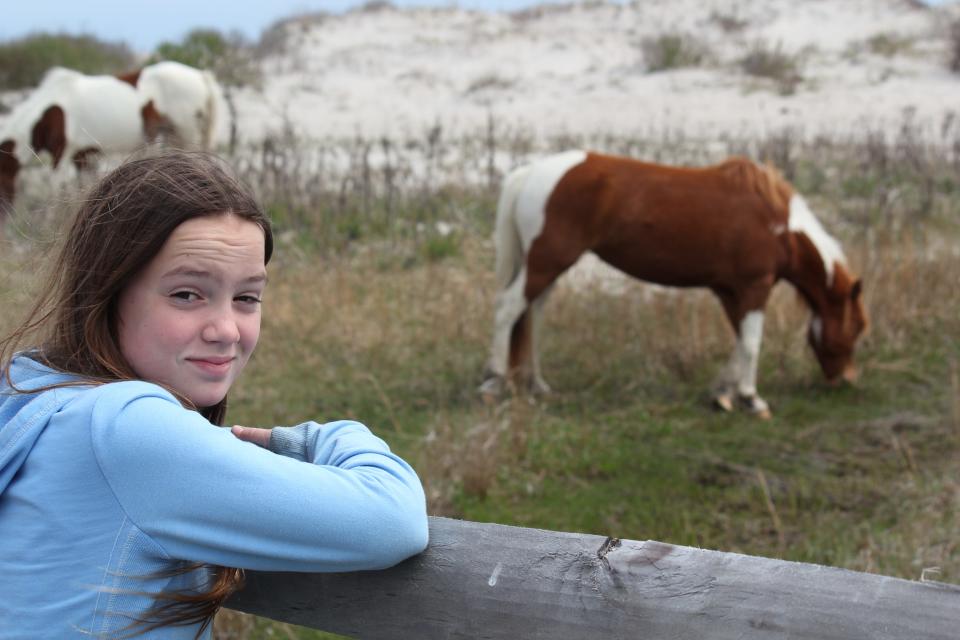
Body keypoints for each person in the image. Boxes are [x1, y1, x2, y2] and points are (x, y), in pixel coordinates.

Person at [0, 149, 429, 639]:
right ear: (107, 290)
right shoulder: (127, 428)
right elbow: (392, 518)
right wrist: (314, 443)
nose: (226, 329)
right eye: (187, 294)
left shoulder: (31, 387)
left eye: (246, 297)